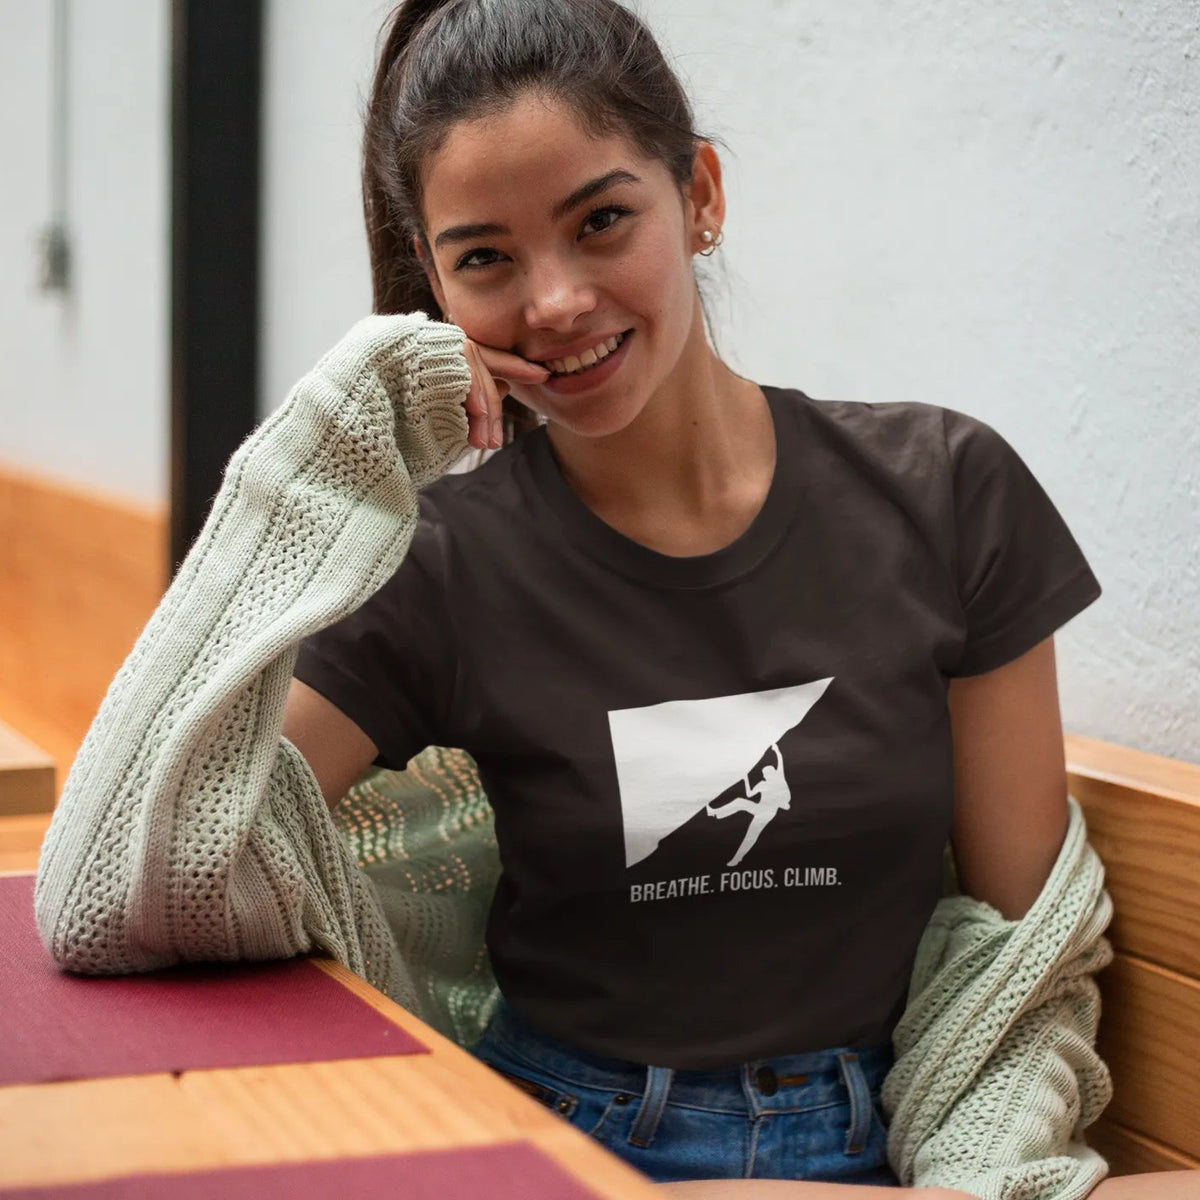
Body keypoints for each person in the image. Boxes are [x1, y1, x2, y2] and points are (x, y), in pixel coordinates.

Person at [30, 0, 1196, 1196]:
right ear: (431, 283)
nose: (555, 303)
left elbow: (1018, 962)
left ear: (700, 196)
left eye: (601, 221)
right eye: (484, 258)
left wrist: (974, 1184)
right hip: (557, 1145)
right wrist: (324, 460)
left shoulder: (947, 494)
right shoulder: (443, 560)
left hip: (882, 1146)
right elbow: (113, 890)